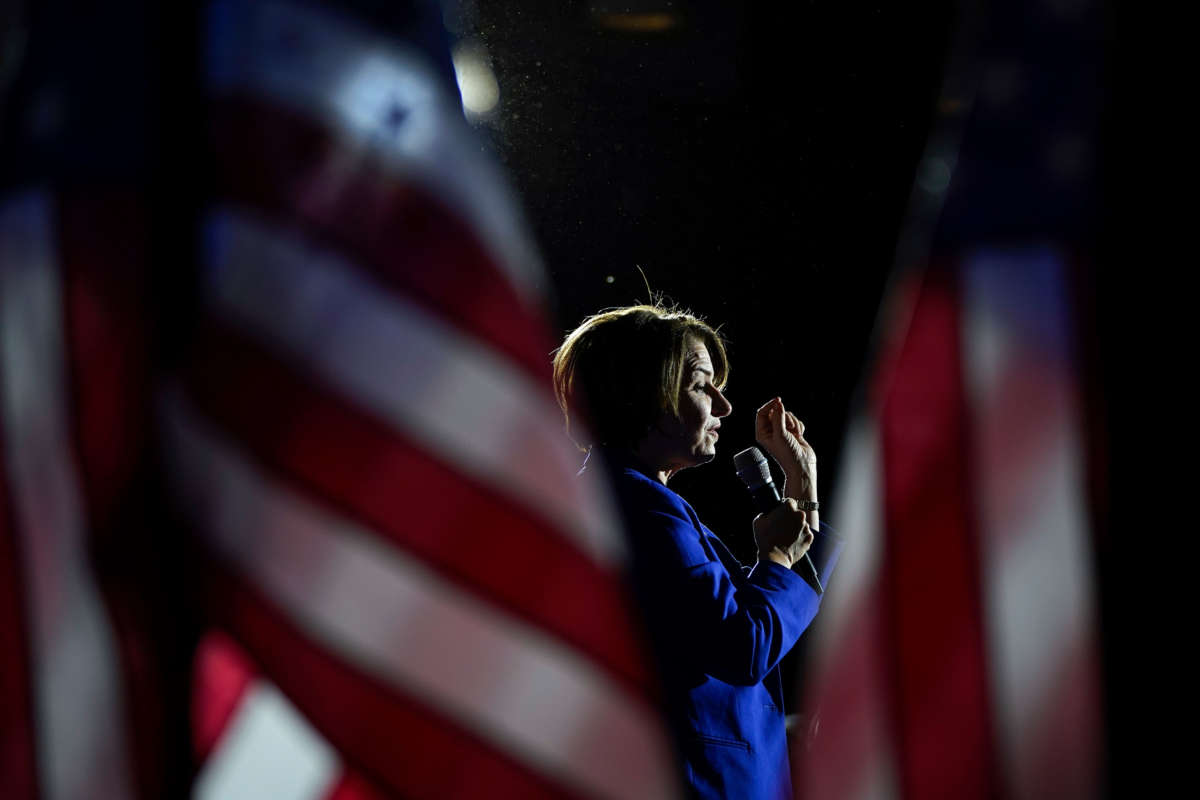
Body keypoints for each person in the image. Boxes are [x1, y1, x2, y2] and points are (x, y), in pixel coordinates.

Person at [552, 304, 842, 800]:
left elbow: (770, 607)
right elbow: (743, 646)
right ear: (643, 393)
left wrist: (801, 485)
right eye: (701, 384)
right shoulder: (641, 512)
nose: (724, 406)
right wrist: (773, 559)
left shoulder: (636, 501)